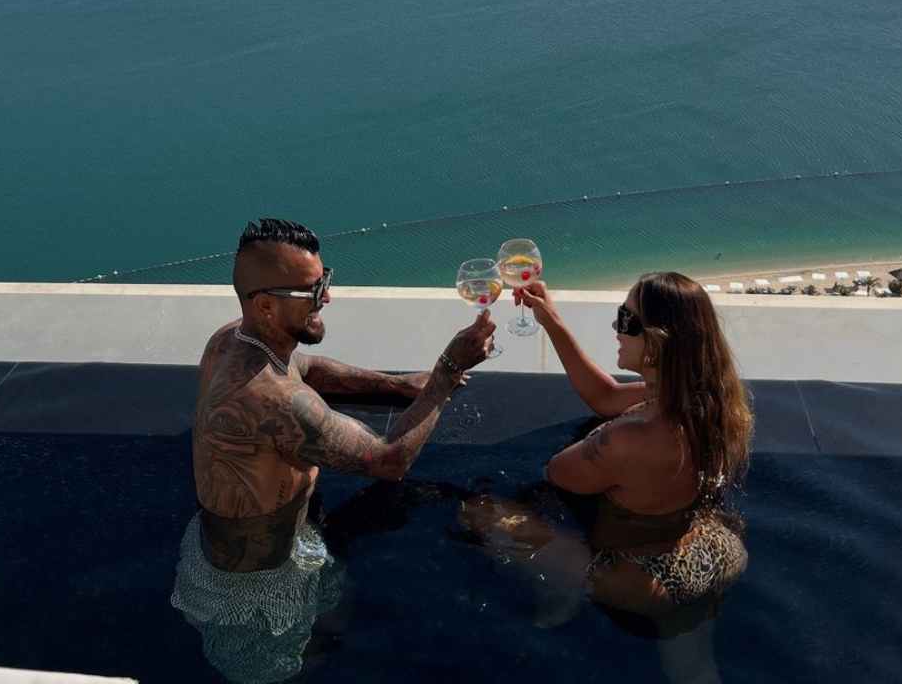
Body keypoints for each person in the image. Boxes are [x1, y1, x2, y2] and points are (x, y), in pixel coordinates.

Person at [172, 217, 494, 681]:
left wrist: (397, 384)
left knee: (332, 635)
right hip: (258, 591)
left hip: (240, 549)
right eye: (313, 290)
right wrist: (445, 371)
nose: (327, 297)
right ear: (265, 306)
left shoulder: (234, 340)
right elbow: (388, 460)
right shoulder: (274, 400)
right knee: (307, 663)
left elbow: (305, 366)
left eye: (324, 280)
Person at [466, 271, 751, 623]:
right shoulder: (708, 400)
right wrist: (551, 320)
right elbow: (606, 396)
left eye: (627, 320)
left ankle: (566, 590)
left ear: (657, 342)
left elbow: (556, 473)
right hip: (712, 551)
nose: (616, 327)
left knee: (479, 512)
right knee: (689, 652)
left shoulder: (629, 439)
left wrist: (600, 440)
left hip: (635, 579)